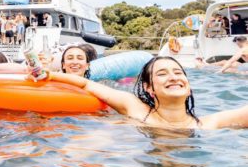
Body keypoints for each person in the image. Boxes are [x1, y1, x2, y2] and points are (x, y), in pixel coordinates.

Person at [50, 56, 248, 130]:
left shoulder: (206, 125)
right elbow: (86, 85)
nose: (173, 77)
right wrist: (47, 74)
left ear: (188, 86)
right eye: (162, 74)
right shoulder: (135, 108)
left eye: (178, 72)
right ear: (149, 88)